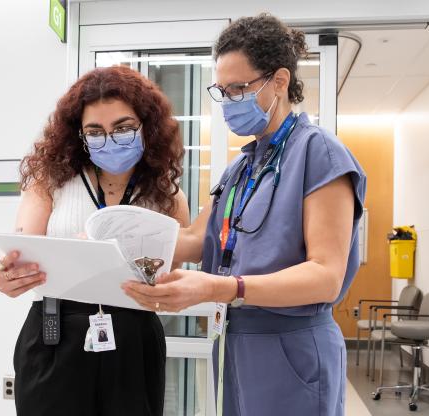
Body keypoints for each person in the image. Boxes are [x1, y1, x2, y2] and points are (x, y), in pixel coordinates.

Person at [122, 13, 366, 416]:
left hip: (293, 346)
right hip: (237, 343)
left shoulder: (319, 153)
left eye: (239, 88)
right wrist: (110, 240)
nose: (229, 101)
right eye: (222, 90)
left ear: (280, 81)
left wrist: (221, 288)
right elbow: (191, 241)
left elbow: (326, 276)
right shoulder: (242, 169)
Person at [0, 65, 189, 416]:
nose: (109, 139)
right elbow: (23, 249)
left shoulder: (166, 195)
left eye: (123, 128)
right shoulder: (50, 181)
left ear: (148, 126)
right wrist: (8, 277)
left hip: (134, 336)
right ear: (77, 134)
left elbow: (173, 272)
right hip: (56, 333)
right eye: (94, 131)